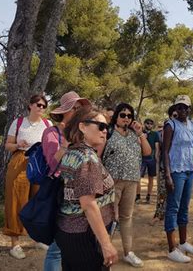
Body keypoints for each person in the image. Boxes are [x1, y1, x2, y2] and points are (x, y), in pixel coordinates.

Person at [55, 106, 118, 271]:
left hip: (68, 232)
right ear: (82, 127)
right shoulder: (87, 158)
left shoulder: (71, 152)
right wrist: (106, 244)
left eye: (107, 127)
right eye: (101, 126)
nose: (105, 131)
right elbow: (89, 204)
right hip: (85, 236)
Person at [41, 91, 91, 271]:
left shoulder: (82, 132)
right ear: (65, 111)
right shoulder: (51, 133)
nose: (79, 111)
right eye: (75, 108)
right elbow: (53, 164)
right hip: (60, 192)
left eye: (80, 108)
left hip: (79, 193)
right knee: (57, 246)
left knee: (72, 243)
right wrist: (65, 143)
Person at [3, 94, 53, 259]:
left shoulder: (48, 124)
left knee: (39, 201)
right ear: (30, 105)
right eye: (38, 105)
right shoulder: (18, 123)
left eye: (44, 106)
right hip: (20, 162)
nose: (41, 108)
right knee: (16, 201)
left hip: (41, 163)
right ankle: (15, 244)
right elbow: (8, 145)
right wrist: (18, 144)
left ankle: (38, 238)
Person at [102, 103, 152, 268]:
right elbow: (98, 156)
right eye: (122, 115)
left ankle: (128, 252)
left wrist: (141, 134)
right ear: (116, 116)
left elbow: (147, 152)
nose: (126, 118)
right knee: (108, 218)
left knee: (126, 218)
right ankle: (104, 251)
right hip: (112, 182)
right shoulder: (107, 133)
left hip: (131, 181)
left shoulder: (134, 134)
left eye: (129, 116)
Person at [163, 95, 193, 263]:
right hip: (176, 171)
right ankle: (172, 249)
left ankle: (183, 242)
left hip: (189, 170)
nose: (182, 110)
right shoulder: (170, 125)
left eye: (185, 107)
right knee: (173, 207)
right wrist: (167, 175)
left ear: (189, 109)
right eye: (179, 107)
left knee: (184, 207)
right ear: (175, 110)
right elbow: (165, 151)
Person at [150, 106, 177, 225]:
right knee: (162, 191)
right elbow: (160, 150)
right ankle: (159, 215)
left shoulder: (184, 129)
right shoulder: (165, 130)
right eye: (174, 116)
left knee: (175, 193)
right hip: (164, 166)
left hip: (178, 167)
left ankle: (171, 217)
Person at [136, 118, 160, 204]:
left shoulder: (155, 134)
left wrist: (156, 157)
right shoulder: (139, 133)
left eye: (151, 124)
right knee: (138, 178)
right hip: (141, 158)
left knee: (151, 177)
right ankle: (138, 196)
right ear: (144, 124)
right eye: (147, 123)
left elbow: (157, 147)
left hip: (151, 159)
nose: (149, 125)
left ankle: (148, 196)